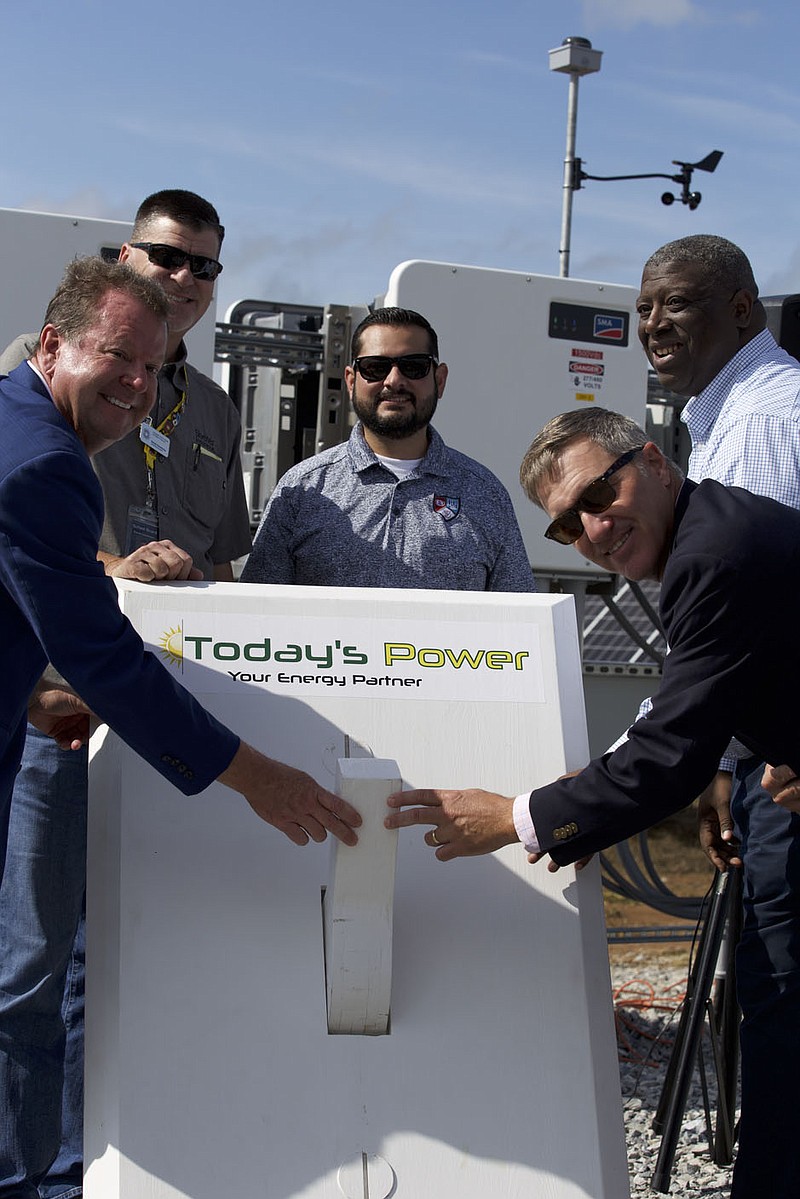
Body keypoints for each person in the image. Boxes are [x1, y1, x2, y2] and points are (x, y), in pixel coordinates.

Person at [0, 256, 360, 1199]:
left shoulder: (17, 423)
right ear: (51, 345)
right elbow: (105, 659)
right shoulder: (44, 463)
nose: (135, 383)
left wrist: (30, 687)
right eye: (117, 356)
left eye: (153, 368)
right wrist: (256, 777)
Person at [385, 406, 800, 1199]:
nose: (594, 527)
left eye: (599, 493)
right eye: (568, 525)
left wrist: (513, 817)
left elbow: (669, 754)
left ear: (654, 459)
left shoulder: (713, 553)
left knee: (783, 1015)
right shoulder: (701, 539)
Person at [0, 189, 253, 1199]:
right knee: (31, 959)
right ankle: (32, 1168)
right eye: (168, 256)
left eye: (204, 266)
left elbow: (227, 556)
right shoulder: (49, 376)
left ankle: (106, 1161)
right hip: (58, 715)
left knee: (132, 959)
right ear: (123, 256)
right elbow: (37, 550)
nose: (185, 278)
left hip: (166, 716)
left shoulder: (217, 406)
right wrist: (114, 564)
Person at [241, 307, 534, 593]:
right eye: (375, 368)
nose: (394, 380)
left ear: (440, 380)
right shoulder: (300, 490)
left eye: (414, 366)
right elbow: (257, 613)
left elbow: (520, 625)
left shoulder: (486, 494)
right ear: (351, 380)